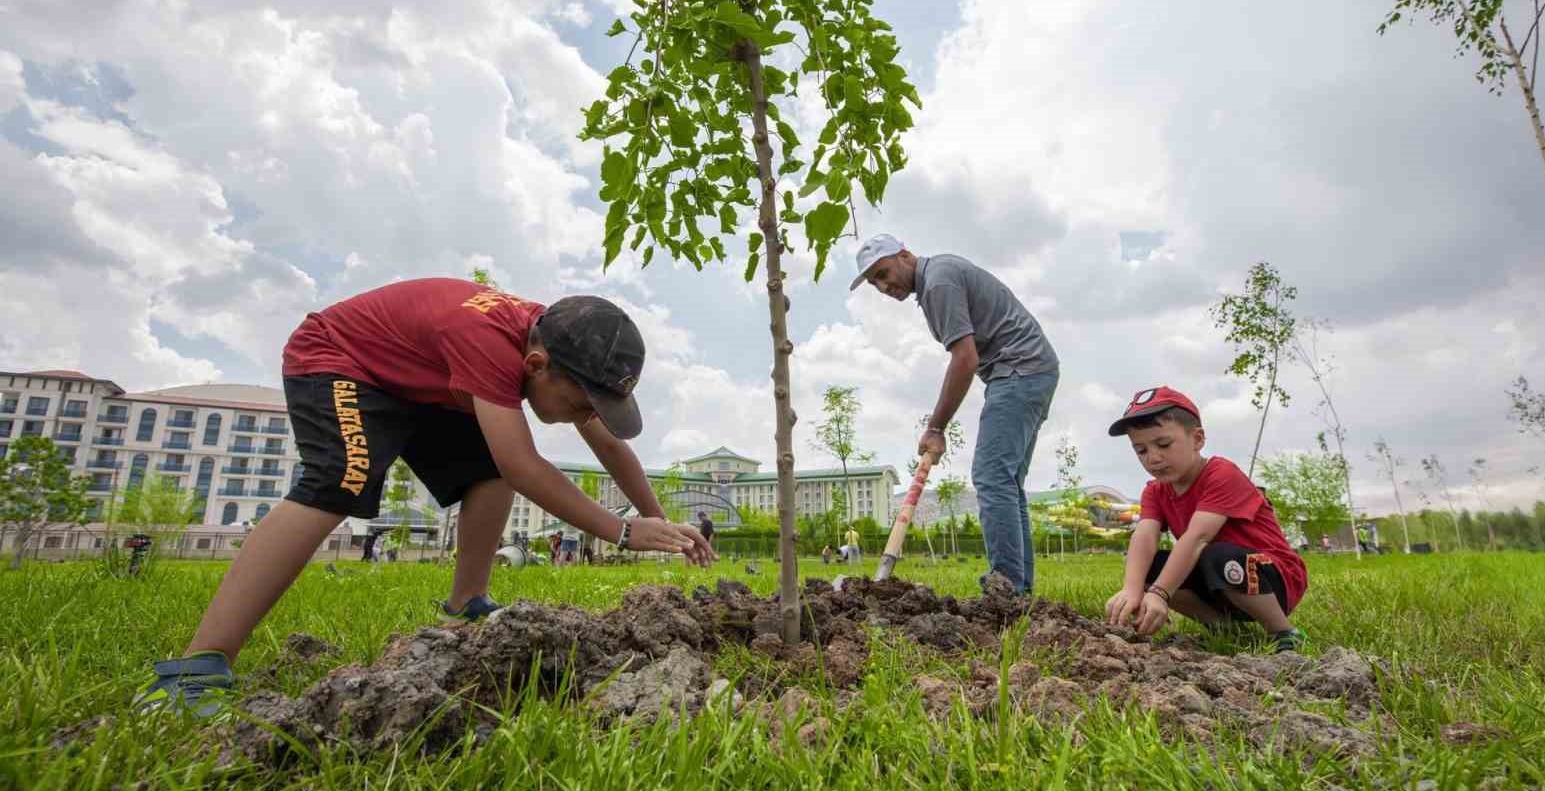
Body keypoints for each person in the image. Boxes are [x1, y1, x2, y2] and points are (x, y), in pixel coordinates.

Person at [139, 278, 716, 715]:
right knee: (340, 479)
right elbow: (524, 464)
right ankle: (196, 666)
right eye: (582, 403)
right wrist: (618, 532)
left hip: (421, 383)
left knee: (485, 471)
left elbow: (610, 446)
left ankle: (467, 602)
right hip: (342, 360)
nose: (587, 418)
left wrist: (656, 521)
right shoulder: (489, 343)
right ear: (536, 365)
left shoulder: (551, 352)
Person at [853, 234, 1058, 594]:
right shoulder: (938, 277)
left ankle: (1007, 593)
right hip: (1030, 369)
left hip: (1018, 369)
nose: (884, 287)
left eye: (884, 273)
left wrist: (936, 427)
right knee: (1006, 483)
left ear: (905, 255)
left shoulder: (938, 282)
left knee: (993, 477)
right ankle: (1017, 592)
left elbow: (965, 359)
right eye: (875, 283)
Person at [1103, 387, 1308, 652]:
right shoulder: (1155, 490)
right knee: (1150, 566)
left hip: (1272, 577)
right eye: (1141, 450)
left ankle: (1283, 632)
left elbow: (1198, 538)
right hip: (1218, 582)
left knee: (1218, 555)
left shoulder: (1221, 474)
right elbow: (1144, 535)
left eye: (1163, 444)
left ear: (1197, 439)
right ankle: (1224, 628)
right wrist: (1132, 589)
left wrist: (1159, 593)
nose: (1153, 458)